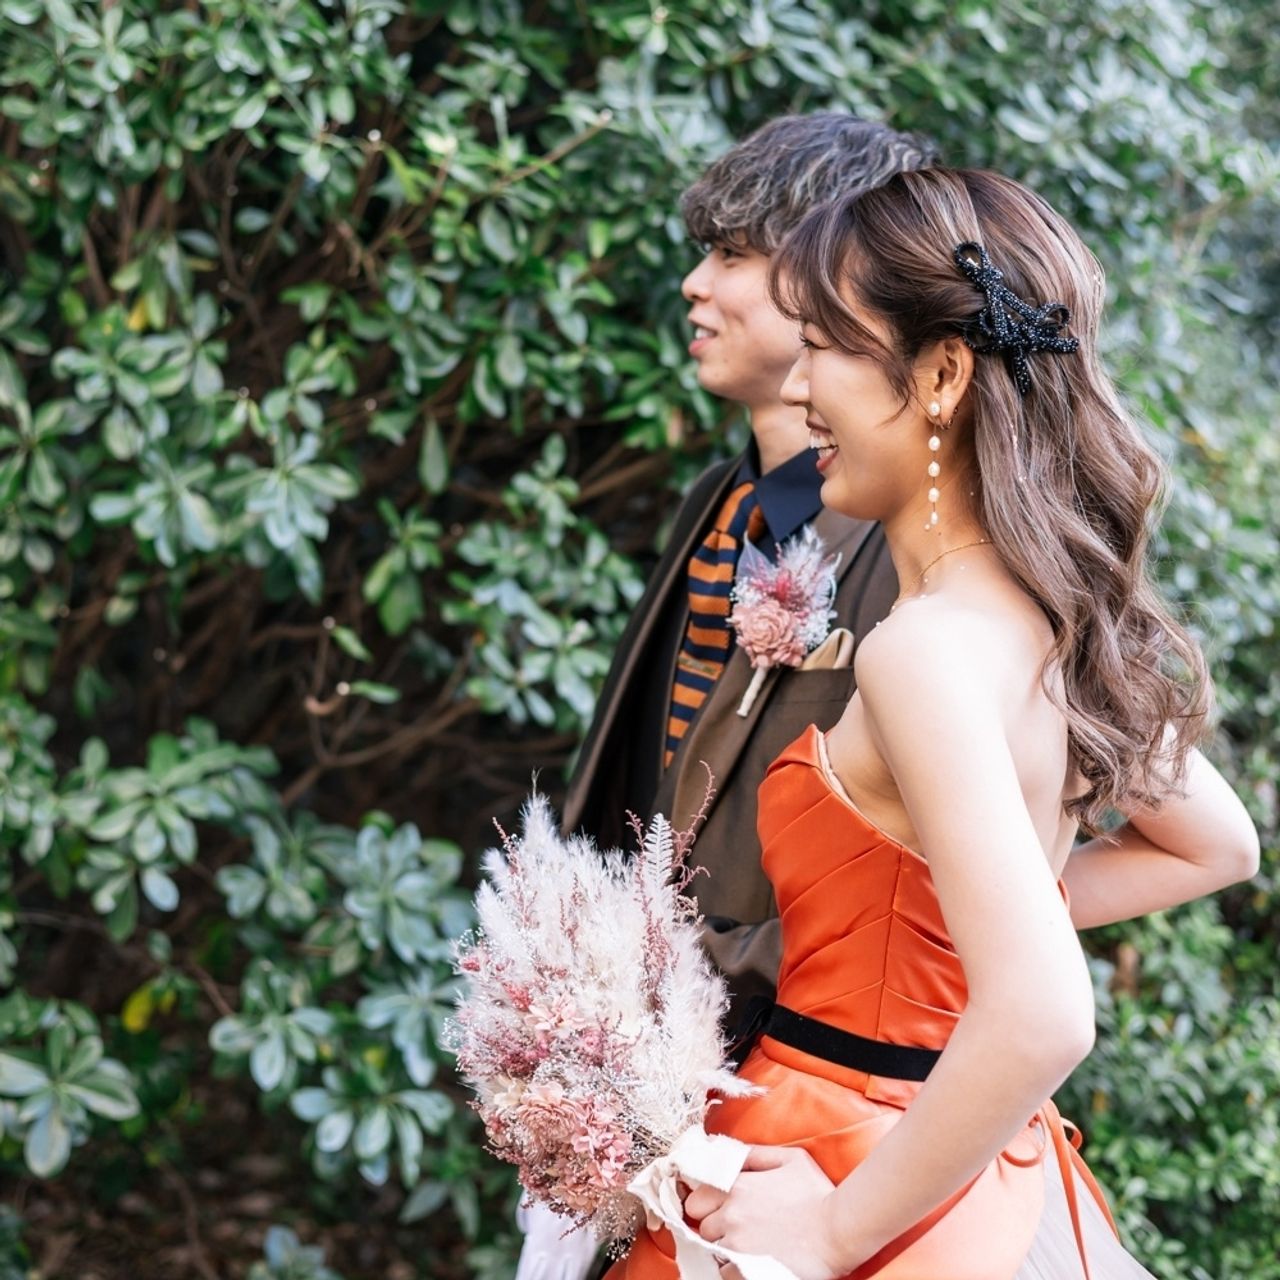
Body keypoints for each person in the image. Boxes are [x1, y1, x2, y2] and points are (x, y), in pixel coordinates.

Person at [609, 168, 1261, 1279]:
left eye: (823, 347)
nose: (797, 384)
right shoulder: (1050, 620)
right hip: (981, 1167)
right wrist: (965, 930)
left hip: (839, 1146)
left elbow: (1043, 1012)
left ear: (942, 374)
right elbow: (1216, 845)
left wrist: (830, 1231)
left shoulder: (922, 650)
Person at [515, 113, 938, 1280]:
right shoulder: (717, 497)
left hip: (785, 1099)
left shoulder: (910, 541)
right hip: (631, 1072)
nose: (694, 284)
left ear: (838, 286)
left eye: (734, 253)